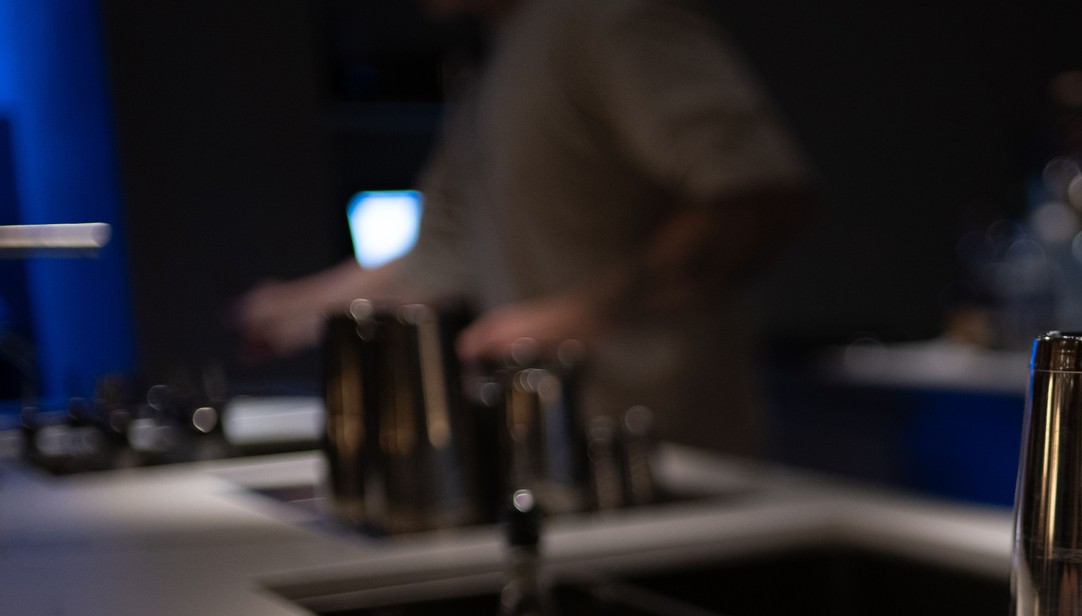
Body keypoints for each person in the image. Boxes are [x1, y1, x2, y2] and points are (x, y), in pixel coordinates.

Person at [237, 0, 814, 455]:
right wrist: (299, 306)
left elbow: (757, 193)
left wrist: (584, 314)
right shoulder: (491, 71)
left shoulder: (609, 17)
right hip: (551, 453)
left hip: (665, 460)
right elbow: (437, 256)